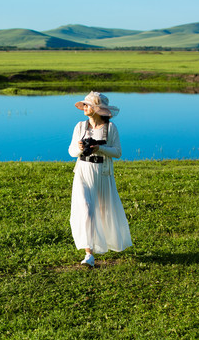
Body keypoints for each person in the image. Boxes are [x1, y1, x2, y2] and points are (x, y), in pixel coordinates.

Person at [68, 91, 132, 267]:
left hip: (102, 174)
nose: (84, 108)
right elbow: (71, 152)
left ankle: (102, 244)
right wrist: (80, 147)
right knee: (86, 209)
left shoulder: (110, 129)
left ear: (97, 109)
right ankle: (89, 254)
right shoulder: (80, 127)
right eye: (84, 105)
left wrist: (100, 149)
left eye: (87, 105)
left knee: (103, 211)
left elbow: (117, 152)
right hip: (83, 172)